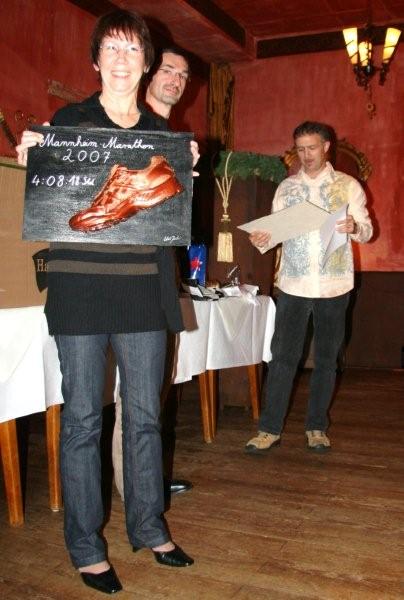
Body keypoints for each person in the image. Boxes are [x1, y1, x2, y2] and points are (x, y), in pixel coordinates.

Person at [17, 9, 198, 595]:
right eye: (111, 49)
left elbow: (169, 215)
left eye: (132, 50)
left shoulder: (162, 134)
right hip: (80, 288)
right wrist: (32, 156)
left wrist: (186, 170)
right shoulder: (68, 123)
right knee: (82, 421)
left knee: (144, 417)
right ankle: (86, 546)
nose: (122, 60)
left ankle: (149, 527)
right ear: (96, 61)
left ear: (146, 64)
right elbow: (48, 197)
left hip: (143, 289)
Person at [245, 121, 373, 455]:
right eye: (300, 149)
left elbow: (368, 230)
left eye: (312, 148)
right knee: (283, 358)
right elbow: (274, 234)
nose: (306, 155)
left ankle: (317, 427)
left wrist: (355, 226)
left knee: (327, 360)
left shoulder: (348, 185)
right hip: (293, 284)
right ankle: (269, 429)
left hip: (335, 285)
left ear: (326, 146)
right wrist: (262, 238)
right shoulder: (286, 188)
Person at [112, 46, 193, 501]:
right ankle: (136, 493)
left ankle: (148, 480)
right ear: (146, 72)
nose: (176, 79)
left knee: (155, 386)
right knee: (133, 395)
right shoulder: (126, 127)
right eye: (167, 70)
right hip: (128, 274)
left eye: (183, 74)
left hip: (162, 269)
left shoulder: (171, 137)